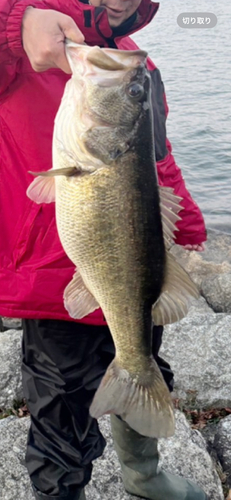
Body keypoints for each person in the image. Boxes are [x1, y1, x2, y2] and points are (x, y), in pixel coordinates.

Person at [0, 1, 207, 499]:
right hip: (54, 283)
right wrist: (15, 23)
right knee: (63, 414)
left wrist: (190, 225)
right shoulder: (25, 44)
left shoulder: (135, 62)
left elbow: (156, 156)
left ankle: (143, 475)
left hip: (140, 264)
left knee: (146, 363)